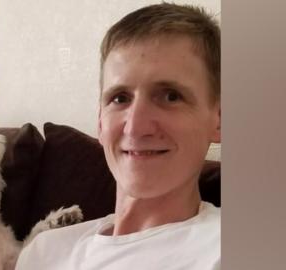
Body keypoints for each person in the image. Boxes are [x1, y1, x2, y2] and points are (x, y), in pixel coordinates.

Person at [15, 3, 220, 269]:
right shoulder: (43, 251)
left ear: (220, 120)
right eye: (119, 98)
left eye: (171, 96)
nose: (135, 127)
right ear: (100, 121)